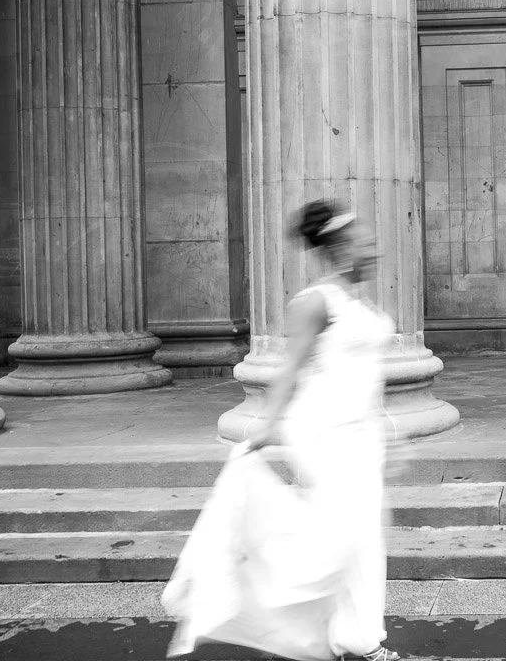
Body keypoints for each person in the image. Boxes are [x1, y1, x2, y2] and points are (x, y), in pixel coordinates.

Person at [163, 200, 399, 661]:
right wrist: (268, 424)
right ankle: (276, 603)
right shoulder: (315, 301)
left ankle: (354, 636)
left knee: (364, 536)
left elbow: (363, 368)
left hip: (362, 434)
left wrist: (387, 430)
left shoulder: (358, 298)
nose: (374, 252)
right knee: (347, 539)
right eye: (366, 243)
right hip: (325, 432)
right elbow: (291, 368)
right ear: (340, 247)